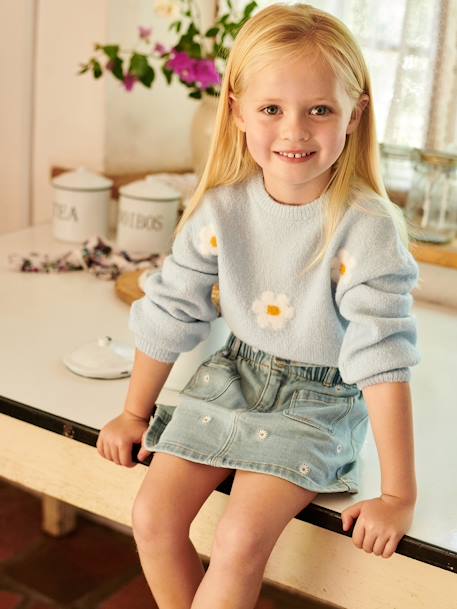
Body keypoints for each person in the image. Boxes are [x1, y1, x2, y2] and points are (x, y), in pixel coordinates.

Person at [97, 3, 420, 608]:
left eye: (319, 110)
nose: (295, 130)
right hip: (233, 378)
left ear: (355, 114)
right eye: (272, 109)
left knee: (240, 537)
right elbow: (171, 310)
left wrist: (398, 495)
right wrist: (133, 413)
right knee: (152, 515)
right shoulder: (221, 208)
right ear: (238, 111)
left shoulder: (368, 228)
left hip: (319, 400)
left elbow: (382, 358)